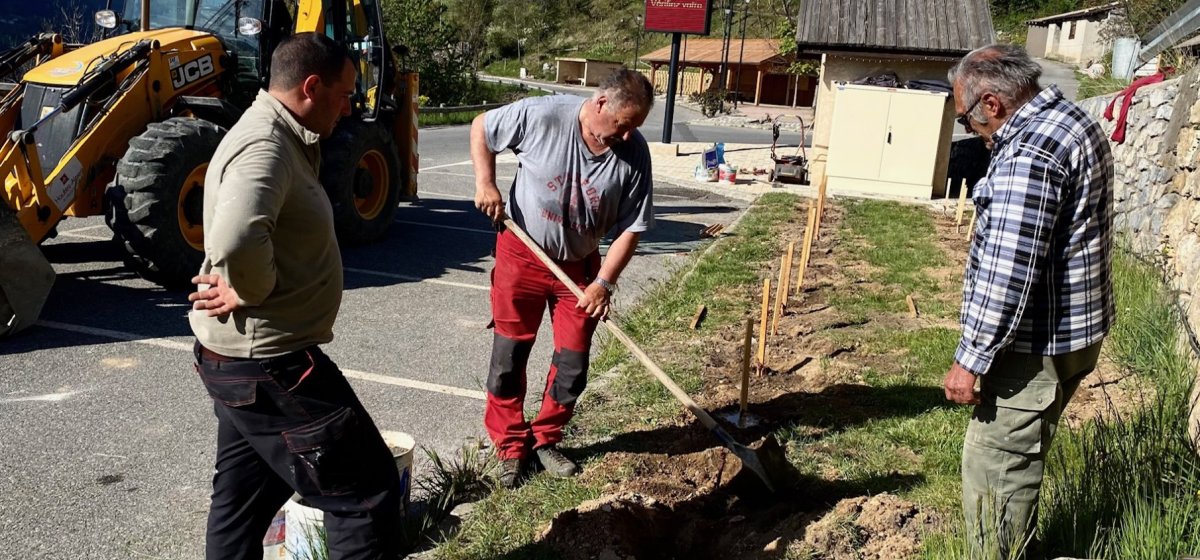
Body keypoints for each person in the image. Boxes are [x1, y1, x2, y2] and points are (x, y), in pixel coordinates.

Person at [188, 33, 402, 559]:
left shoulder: (284, 136)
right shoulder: (266, 144)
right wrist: (250, 288)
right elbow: (237, 234)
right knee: (364, 495)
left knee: (243, 502)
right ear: (311, 86)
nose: (351, 105)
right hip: (273, 364)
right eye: (346, 92)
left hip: (245, 363)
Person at [944, 44, 1114, 559]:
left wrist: (970, 361)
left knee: (996, 466)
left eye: (967, 119)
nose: (971, 130)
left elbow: (1008, 272)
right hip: (1077, 330)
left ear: (992, 103)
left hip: (1035, 344)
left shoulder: (1028, 154)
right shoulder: (1070, 120)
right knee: (1023, 455)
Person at [470, 69, 655, 488]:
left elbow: (633, 226)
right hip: (522, 253)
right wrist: (485, 183)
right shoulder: (543, 116)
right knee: (508, 357)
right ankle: (511, 447)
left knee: (573, 362)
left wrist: (603, 283)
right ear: (601, 104)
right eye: (624, 125)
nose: (627, 136)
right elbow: (483, 126)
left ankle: (545, 439)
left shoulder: (633, 153)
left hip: (582, 265)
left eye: (635, 128)